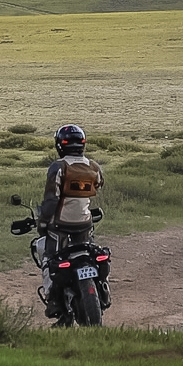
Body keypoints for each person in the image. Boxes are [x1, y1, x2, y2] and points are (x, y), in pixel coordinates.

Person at [35, 124, 105, 319]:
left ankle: (53, 300)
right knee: (91, 253)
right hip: (85, 224)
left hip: (60, 226)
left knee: (49, 259)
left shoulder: (58, 167)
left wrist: (42, 223)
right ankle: (102, 287)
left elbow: (51, 200)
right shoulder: (94, 167)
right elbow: (98, 185)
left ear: (60, 146)